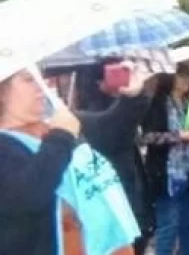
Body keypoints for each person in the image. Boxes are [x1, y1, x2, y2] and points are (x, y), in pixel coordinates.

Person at [0, 68, 138, 255]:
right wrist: (60, 137)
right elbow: (28, 195)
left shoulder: (58, 123)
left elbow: (113, 130)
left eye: (41, 78)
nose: (41, 86)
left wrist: (132, 97)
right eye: (28, 80)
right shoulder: (12, 144)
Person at [75, 61, 155, 255]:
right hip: (112, 208)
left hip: (129, 199)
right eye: (114, 72)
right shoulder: (89, 114)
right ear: (98, 81)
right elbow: (111, 126)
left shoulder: (111, 105)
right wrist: (133, 95)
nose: (121, 76)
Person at [141, 65, 189, 255]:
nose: (186, 80)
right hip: (168, 177)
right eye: (181, 75)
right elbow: (147, 137)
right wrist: (180, 135)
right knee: (168, 229)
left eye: (188, 76)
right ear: (169, 78)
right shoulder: (157, 105)